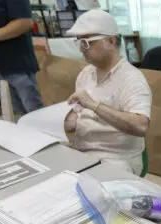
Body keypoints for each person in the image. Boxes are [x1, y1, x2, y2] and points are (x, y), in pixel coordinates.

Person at [64, 9, 151, 175]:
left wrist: (93, 105)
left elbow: (141, 126)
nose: (82, 49)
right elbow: (77, 112)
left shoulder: (132, 79)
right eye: (79, 43)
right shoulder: (86, 74)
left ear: (111, 41)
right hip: (82, 151)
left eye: (87, 42)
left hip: (116, 157)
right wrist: (68, 120)